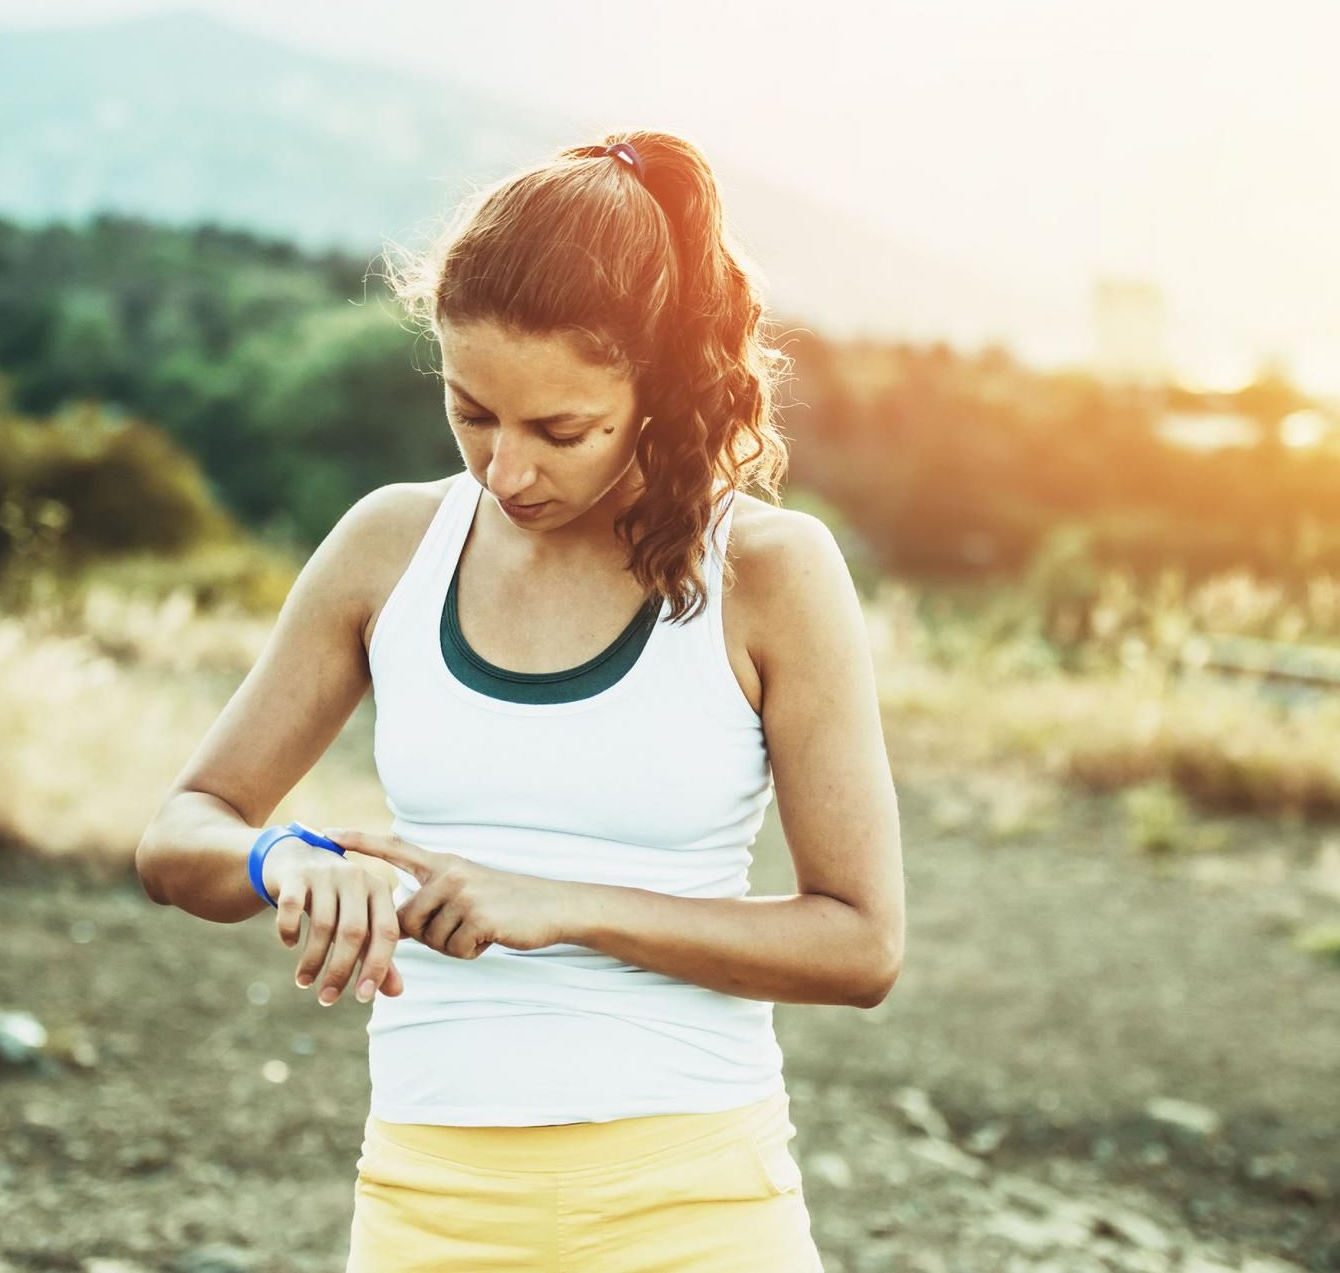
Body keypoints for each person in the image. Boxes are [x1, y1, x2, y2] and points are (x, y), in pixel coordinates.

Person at [134, 128, 904, 1272]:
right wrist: (280, 858)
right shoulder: (389, 545)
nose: (507, 473)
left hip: (696, 1204)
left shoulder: (770, 575)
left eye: (562, 430)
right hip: (426, 1204)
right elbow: (181, 831)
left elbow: (859, 944)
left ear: (663, 387)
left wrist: (564, 905)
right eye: (471, 412)